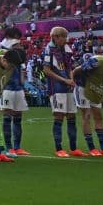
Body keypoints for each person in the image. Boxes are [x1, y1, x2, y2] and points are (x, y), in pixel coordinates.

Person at [70, 54, 103, 157]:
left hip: (96, 89)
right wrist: (72, 81)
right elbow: (76, 70)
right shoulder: (95, 62)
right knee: (86, 116)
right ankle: (92, 148)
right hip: (83, 88)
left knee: (98, 116)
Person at [42, 26, 82, 158]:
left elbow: (69, 67)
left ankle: (73, 148)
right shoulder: (48, 50)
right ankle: (59, 148)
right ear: (55, 37)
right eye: (63, 37)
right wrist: (65, 80)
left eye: (65, 37)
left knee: (71, 116)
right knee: (59, 116)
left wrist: (71, 80)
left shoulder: (66, 49)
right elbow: (46, 70)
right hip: (56, 88)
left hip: (68, 87)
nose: (65, 39)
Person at [0, 27, 31, 156]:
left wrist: (22, 82)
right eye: (17, 37)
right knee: (8, 117)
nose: (19, 42)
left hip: (17, 86)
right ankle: (9, 147)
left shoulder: (14, 50)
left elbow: (21, 64)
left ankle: (17, 147)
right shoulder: (4, 47)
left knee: (17, 117)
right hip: (7, 87)